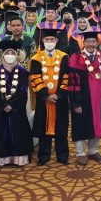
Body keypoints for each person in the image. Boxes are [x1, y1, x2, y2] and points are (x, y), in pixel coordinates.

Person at [29, 28, 70, 165]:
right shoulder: (36, 58)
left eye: (52, 39)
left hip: (60, 100)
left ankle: (62, 155)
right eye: (47, 39)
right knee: (43, 129)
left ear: (56, 41)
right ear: (43, 40)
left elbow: (67, 77)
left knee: (61, 128)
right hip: (43, 100)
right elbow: (35, 77)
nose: (50, 42)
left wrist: (59, 94)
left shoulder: (64, 56)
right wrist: (46, 95)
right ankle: (43, 156)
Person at [0, 40, 33, 167]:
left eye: (12, 53)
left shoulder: (23, 71)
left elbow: (22, 91)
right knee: (3, 133)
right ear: (3, 55)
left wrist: (11, 105)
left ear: (16, 55)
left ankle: (19, 159)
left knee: (18, 132)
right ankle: (4, 159)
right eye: (7, 53)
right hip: (1, 110)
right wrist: (3, 105)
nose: (9, 55)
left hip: (17, 109)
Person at [68, 30, 101, 165]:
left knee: (97, 122)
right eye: (88, 42)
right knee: (80, 124)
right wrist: (76, 103)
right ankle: (80, 153)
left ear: (97, 43)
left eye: (93, 41)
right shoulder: (76, 58)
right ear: (83, 43)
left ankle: (93, 151)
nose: (91, 44)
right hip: (82, 97)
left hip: (98, 98)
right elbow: (73, 82)